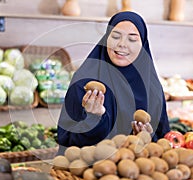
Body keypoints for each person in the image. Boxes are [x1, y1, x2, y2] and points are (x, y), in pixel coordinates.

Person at [57, 11, 170, 151]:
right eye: (116, 36)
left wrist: (146, 139)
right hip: (90, 170)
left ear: (143, 45)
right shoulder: (84, 84)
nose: (122, 44)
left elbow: (164, 142)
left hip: (139, 170)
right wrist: (94, 119)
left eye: (132, 39)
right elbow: (66, 140)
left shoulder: (152, 88)